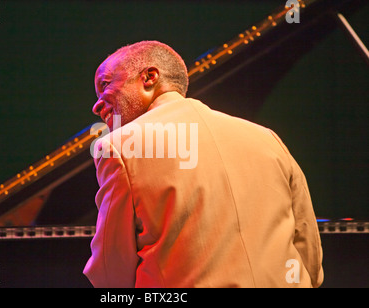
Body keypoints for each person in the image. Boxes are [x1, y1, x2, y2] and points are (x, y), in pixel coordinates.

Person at [83, 40, 324, 288]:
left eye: (105, 85)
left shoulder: (119, 147)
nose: (97, 105)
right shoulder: (268, 138)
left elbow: (110, 274)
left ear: (150, 77)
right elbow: (310, 258)